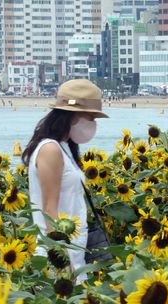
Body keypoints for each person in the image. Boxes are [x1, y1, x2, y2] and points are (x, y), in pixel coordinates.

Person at [22, 79, 108, 276]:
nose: (93, 124)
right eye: (91, 117)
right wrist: (61, 260)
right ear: (73, 115)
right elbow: (49, 209)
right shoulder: (51, 149)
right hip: (59, 259)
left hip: (74, 257)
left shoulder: (64, 147)